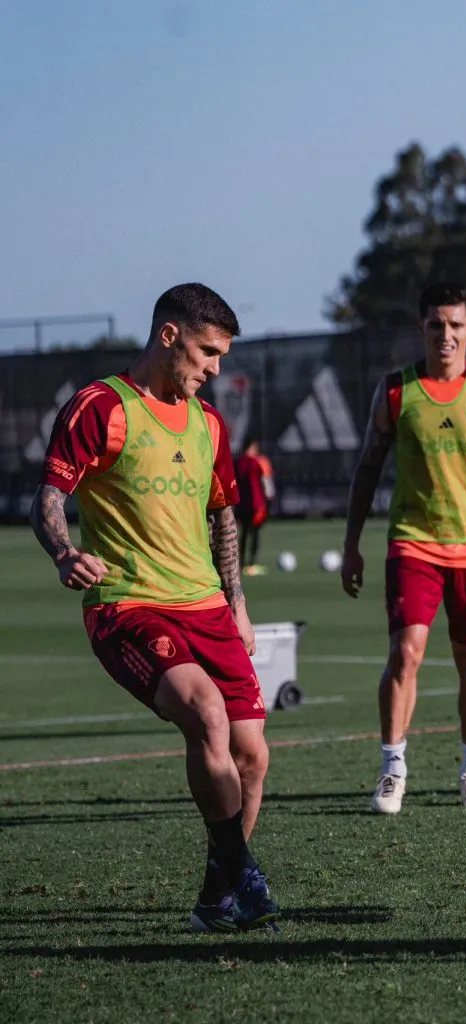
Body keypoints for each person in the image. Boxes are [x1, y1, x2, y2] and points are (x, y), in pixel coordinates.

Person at [30, 283, 279, 931]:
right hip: (128, 604)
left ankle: (216, 900)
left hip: (208, 608)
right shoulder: (101, 407)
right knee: (205, 713)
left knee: (253, 754)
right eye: (206, 352)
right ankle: (246, 873)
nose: (215, 368)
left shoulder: (208, 424)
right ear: (169, 335)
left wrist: (239, 602)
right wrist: (63, 553)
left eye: (221, 355)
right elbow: (50, 497)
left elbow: (224, 515)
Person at [341, 283, 466, 815]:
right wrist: (351, 545)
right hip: (414, 545)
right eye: (436, 324)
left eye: (455, 324)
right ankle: (392, 768)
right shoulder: (395, 391)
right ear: (422, 328)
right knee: (405, 654)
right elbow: (366, 470)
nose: (445, 334)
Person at [235, 437, 273, 575]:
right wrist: (269, 501)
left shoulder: (237, 462)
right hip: (256, 503)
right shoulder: (258, 462)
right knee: (255, 533)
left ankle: (240, 563)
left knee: (243, 533)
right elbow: (266, 483)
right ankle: (252, 563)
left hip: (241, 503)